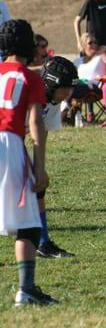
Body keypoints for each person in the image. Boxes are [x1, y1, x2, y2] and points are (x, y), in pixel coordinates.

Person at [0, 19, 57, 306]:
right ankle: (26, 289)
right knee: (29, 224)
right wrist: (39, 164)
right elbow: (35, 120)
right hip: (8, 144)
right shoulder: (29, 77)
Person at [36, 57, 78, 258]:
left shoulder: (52, 102)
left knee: (38, 187)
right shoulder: (28, 92)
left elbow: (41, 133)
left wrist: (40, 167)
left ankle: (43, 243)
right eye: (65, 88)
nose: (68, 93)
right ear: (51, 83)